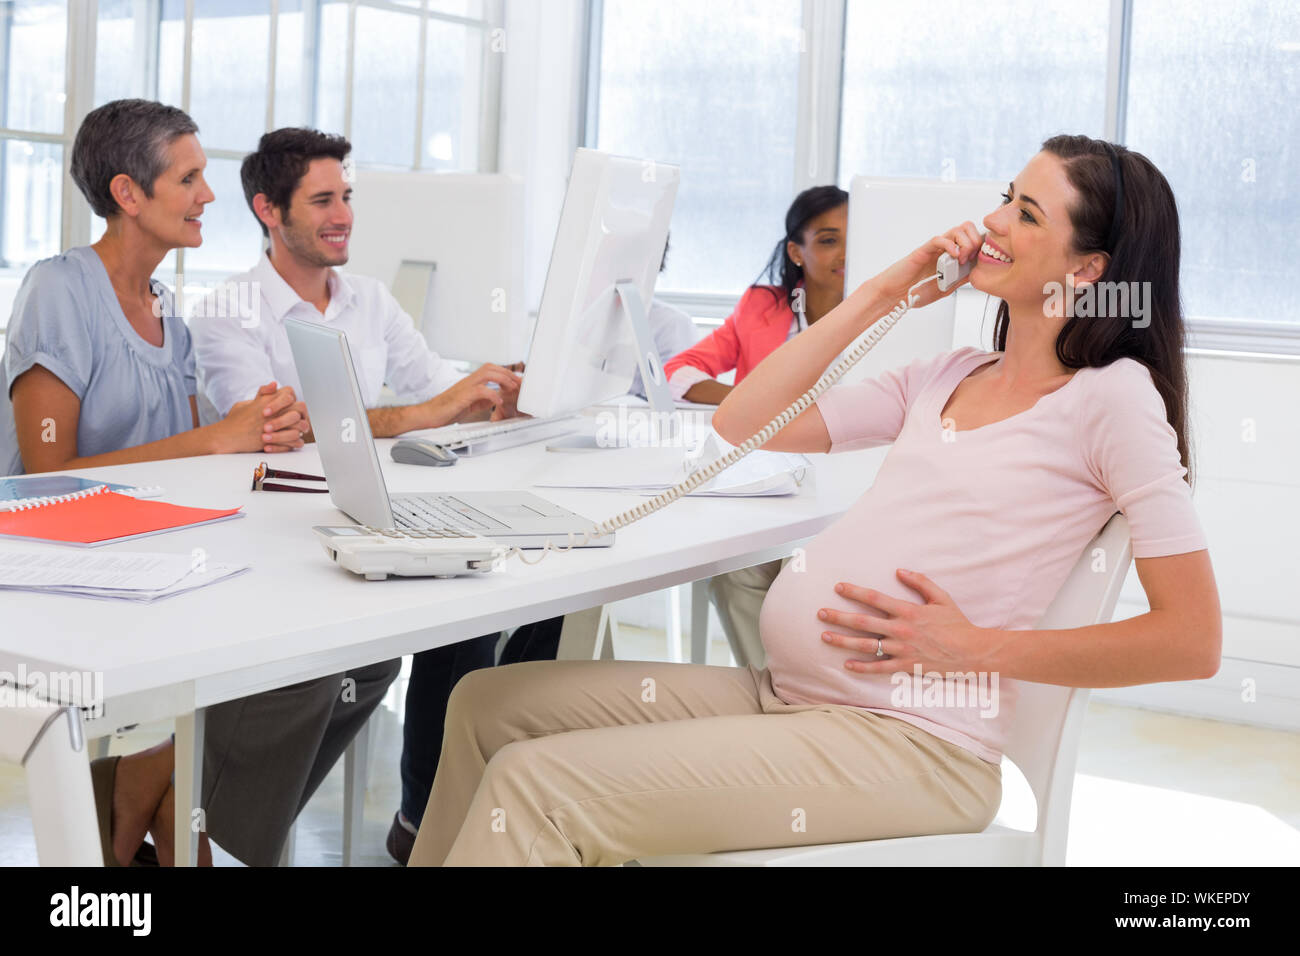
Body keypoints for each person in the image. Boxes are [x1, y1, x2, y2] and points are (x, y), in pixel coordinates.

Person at [405, 134, 1221, 866]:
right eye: (1006, 197)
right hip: (790, 699)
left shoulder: (1113, 399)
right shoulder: (950, 375)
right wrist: (892, 288)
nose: (995, 222)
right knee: (486, 705)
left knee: (542, 785)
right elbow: (744, 420)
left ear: (1089, 270)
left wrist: (976, 646)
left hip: (914, 748)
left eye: (1029, 213)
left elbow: (1191, 641)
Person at [0, 99, 400, 868]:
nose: (209, 196)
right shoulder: (60, 289)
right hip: (53, 572)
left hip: (148, 553)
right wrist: (215, 436)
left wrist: (263, 430)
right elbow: (44, 477)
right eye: (188, 179)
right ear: (128, 194)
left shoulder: (167, 315)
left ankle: (161, 793)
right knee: (304, 671)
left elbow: (190, 464)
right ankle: (179, 812)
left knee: (368, 650)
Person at [188, 127, 556, 866]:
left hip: (364, 517)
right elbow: (277, 428)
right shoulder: (228, 309)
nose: (344, 213)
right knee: (383, 654)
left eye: (347, 196)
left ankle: (426, 820)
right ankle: (232, 828)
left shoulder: (371, 299)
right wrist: (428, 411)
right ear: (269, 209)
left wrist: (492, 392)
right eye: (322, 199)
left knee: (505, 603)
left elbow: (431, 386)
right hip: (276, 537)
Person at [662, 186, 848, 669]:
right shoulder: (762, 307)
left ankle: (795, 689)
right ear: (796, 251)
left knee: (799, 570)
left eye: (854, 238)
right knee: (734, 569)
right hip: (768, 481)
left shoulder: (884, 312)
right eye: (828, 240)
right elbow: (679, 373)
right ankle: (768, 685)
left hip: (840, 486)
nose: (844, 254)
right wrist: (753, 405)